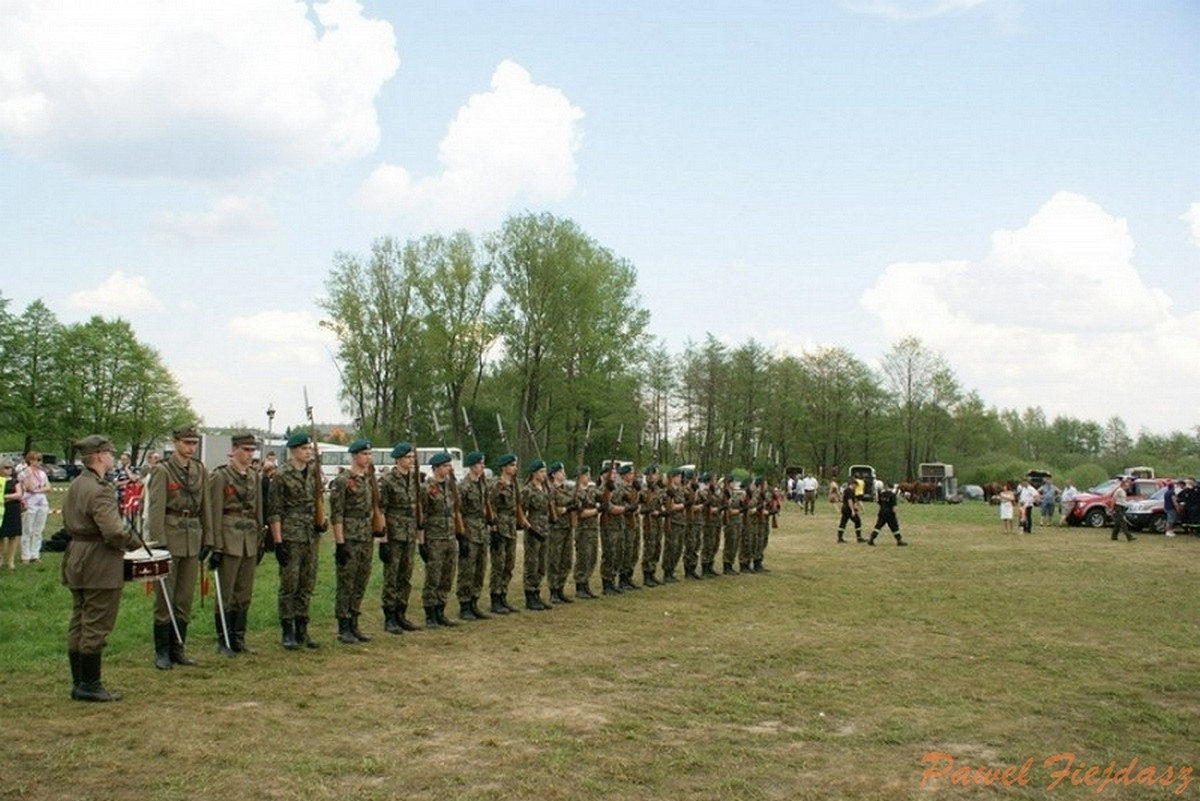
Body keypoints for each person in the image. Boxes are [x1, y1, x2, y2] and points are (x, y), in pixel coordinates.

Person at [62, 435, 139, 702]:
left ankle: (79, 681)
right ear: (98, 456)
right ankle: (90, 684)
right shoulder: (100, 489)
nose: (112, 457)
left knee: (79, 619)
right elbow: (113, 531)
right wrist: (133, 542)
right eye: (109, 453)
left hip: (76, 555)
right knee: (96, 622)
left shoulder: (76, 484)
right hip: (98, 560)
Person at [146, 425, 212, 670]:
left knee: (184, 597)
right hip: (170, 536)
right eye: (187, 443)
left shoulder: (199, 469)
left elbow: (205, 505)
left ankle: (178, 647)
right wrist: (158, 542)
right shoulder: (163, 470)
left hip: (192, 536)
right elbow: (156, 509)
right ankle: (162, 650)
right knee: (165, 597)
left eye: (194, 443)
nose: (191, 448)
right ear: (175, 443)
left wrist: (208, 538)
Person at [206, 433, 264, 656]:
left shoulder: (253, 476)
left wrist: (260, 540)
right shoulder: (221, 476)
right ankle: (224, 640)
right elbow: (214, 512)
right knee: (226, 592)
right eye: (245, 450)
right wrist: (215, 546)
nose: (249, 454)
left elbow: (258, 510)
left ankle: (239, 637)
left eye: (252, 450)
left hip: (249, 538)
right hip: (229, 538)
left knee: (244, 591)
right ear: (234, 450)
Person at [267, 431, 325, 651]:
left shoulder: (313, 472)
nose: (308, 452)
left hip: (311, 535)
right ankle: (287, 629)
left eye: (309, 448)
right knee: (289, 584)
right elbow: (274, 511)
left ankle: (302, 627)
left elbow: (319, 500)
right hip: (291, 535)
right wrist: (278, 541)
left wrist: (322, 521)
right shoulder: (282, 475)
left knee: (307, 583)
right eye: (303, 448)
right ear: (293, 451)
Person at [329, 439, 380, 644]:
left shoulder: (368, 480)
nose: (368, 458)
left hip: (365, 536)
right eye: (364, 454)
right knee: (346, 582)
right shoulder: (343, 480)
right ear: (354, 456)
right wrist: (340, 543)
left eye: (370, 454)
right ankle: (343, 625)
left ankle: (354, 622)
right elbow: (337, 513)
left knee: (361, 580)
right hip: (349, 537)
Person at [378, 442, 421, 633]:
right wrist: (383, 539)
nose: (410, 460)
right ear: (398, 459)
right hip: (394, 533)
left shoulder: (414, 478)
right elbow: (382, 510)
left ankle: (401, 613)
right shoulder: (388, 480)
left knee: (406, 575)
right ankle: (389, 616)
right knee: (392, 576)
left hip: (409, 533)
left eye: (412, 457)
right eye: (407, 457)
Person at [419, 451, 460, 628]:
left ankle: (440, 610)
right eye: (445, 466)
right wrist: (422, 541)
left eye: (449, 465)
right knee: (433, 577)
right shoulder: (426, 488)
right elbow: (422, 515)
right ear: (435, 468)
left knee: (447, 576)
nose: (449, 468)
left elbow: (455, 510)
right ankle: (430, 614)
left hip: (450, 536)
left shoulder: (451, 486)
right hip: (434, 538)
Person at [456, 450, 493, 619]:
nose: (482, 466)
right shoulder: (463, 487)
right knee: (467, 569)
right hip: (469, 530)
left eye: (483, 463)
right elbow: (459, 512)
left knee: (480, 568)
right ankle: (464, 605)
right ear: (472, 466)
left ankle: (474, 601)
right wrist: (461, 535)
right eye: (479, 463)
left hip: (481, 530)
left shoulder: (482, 485)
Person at [487, 453, 523, 615]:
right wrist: (493, 526)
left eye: (515, 465)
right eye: (512, 465)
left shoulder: (514, 484)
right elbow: (490, 505)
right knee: (498, 565)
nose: (515, 468)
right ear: (504, 467)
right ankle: (495, 597)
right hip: (500, 527)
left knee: (509, 564)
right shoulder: (497, 484)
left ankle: (503, 595)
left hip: (511, 527)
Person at [520, 459, 553, 610]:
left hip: (545, 528)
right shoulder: (528, 490)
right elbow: (521, 511)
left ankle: (537, 592)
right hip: (534, 530)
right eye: (541, 471)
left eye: (545, 471)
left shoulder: (545, 489)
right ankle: (530, 595)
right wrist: (528, 526)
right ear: (534, 473)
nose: (544, 474)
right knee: (531, 563)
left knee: (542, 564)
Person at [545, 461, 574, 605]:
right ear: (554, 474)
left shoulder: (567, 488)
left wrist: (568, 507)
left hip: (567, 526)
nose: (564, 473)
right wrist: (567, 507)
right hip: (555, 529)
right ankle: (553, 590)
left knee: (566, 560)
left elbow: (573, 501)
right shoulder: (550, 489)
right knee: (554, 560)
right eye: (561, 471)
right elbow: (554, 507)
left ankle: (561, 588)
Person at [570, 465, 601, 599]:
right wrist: (596, 510)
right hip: (583, 529)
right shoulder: (577, 493)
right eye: (586, 474)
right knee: (583, 557)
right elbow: (581, 513)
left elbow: (603, 497)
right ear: (580, 476)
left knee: (592, 557)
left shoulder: (590, 490)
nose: (588, 477)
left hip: (593, 529)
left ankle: (586, 583)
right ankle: (580, 585)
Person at [19, 451, 50, 565]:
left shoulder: (42, 473)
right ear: (29, 461)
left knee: (38, 530)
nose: (37, 462)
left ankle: (35, 554)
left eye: (39, 460)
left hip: (42, 503)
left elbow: (48, 487)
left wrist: (38, 490)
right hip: (30, 503)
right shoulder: (24, 473)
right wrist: (29, 473)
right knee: (27, 530)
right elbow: (28, 487)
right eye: (34, 460)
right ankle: (25, 555)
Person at [659, 467, 687, 582]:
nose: (680, 479)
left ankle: (672, 570)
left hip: (681, 522)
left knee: (678, 548)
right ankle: (667, 572)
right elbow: (670, 507)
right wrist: (683, 505)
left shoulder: (680, 490)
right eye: (678, 477)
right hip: (672, 522)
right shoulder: (667, 491)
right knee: (671, 547)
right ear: (672, 478)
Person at [638, 465, 662, 587]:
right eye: (654, 474)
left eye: (656, 474)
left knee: (657, 547)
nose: (656, 476)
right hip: (649, 521)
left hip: (658, 521)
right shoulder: (644, 489)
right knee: (650, 547)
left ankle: (652, 572)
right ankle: (647, 574)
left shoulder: (657, 489)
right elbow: (642, 505)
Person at [868, 482, 908, 546]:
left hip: (882, 512)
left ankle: (871, 539)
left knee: (878, 526)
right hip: (890, 513)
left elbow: (879, 502)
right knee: (894, 527)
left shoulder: (882, 494)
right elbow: (894, 506)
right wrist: (896, 514)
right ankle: (899, 541)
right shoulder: (892, 495)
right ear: (892, 488)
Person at [1, 459, 23, 569]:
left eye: (11, 467)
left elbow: (19, 495)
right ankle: (0, 559)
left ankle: (10, 561)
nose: (9, 470)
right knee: (0, 536)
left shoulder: (15, 481)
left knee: (13, 536)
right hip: (1, 511)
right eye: (6, 467)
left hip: (13, 510)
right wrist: (11, 497)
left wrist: (5, 497)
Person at [835, 478, 863, 544]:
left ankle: (840, 538)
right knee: (857, 521)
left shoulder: (848, 490)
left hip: (845, 508)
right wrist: (852, 510)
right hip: (848, 509)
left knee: (843, 522)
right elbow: (849, 501)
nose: (856, 487)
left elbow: (847, 499)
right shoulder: (849, 491)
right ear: (853, 484)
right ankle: (859, 538)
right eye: (856, 486)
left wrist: (856, 506)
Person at [1110, 477, 1136, 542]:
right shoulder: (1118, 490)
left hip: (1122, 507)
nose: (1128, 486)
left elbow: (1123, 500)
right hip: (1118, 507)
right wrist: (1112, 508)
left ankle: (1114, 536)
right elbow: (1113, 499)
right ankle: (1129, 537)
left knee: (1118, 523)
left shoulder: (1123, 491)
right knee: (1123, 522)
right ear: (1123, 484)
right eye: (1127, 484)